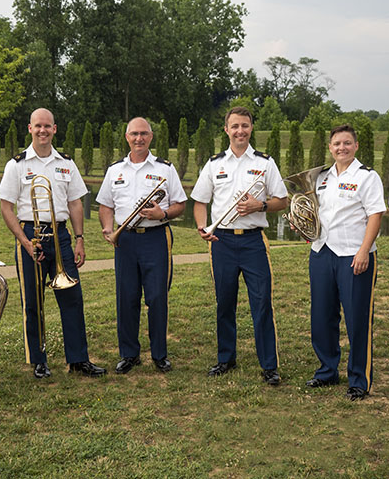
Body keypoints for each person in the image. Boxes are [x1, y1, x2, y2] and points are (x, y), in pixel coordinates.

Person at [0, 108, 106, 379]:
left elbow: (75, 202)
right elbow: (6, 207)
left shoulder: (66, 163)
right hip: (30, 235)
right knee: (33, 303)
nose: (43, 130)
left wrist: (80, 239)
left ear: (55, 129)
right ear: (30, 128)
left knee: (72, 299)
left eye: (47, 126)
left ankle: (78, 359)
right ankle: (38, 360)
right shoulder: (17, 164)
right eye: (38, 126)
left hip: (61, 236)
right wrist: (23, 241)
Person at [191, 106, 287, 385]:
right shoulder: (214, 164)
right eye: (235, 126)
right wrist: (201, 226)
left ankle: (269, 365)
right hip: (222, 241)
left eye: (245, 126)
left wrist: (261, 205)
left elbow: (282, 200)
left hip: (254, 241)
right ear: (226, 130)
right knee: (225, 303)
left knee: (261, 303)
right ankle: (226, 359)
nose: (240, 131)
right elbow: (200, 201)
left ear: (251, 128)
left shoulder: (266, 163)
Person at [97, 117, 187, 374]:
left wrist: (164, 214)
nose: (139, 138)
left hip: (156, 238)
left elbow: (180, 204)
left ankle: (159, 354)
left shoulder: (165, 169)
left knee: (157, 297)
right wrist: (107, 227)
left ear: (150, 137)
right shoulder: (115, 170)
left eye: (144, 134)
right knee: (126, 297)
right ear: (127, 137)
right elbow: (105, 205)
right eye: (134, 134)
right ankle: (129, 354)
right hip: (125, 240)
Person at [304, 124, 386, 400]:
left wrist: (364, 250)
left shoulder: (367, 177)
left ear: (356, 146)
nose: (342, 148)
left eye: (347, 143)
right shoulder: (322, 177)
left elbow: (376, 214)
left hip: (354, 254)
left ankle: (359, 380)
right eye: (337, 144)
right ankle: (327, 371)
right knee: (322, 316)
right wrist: (304, 226)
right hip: (322, 252)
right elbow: (315, 210)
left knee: (357, 318)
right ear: (330, 147)